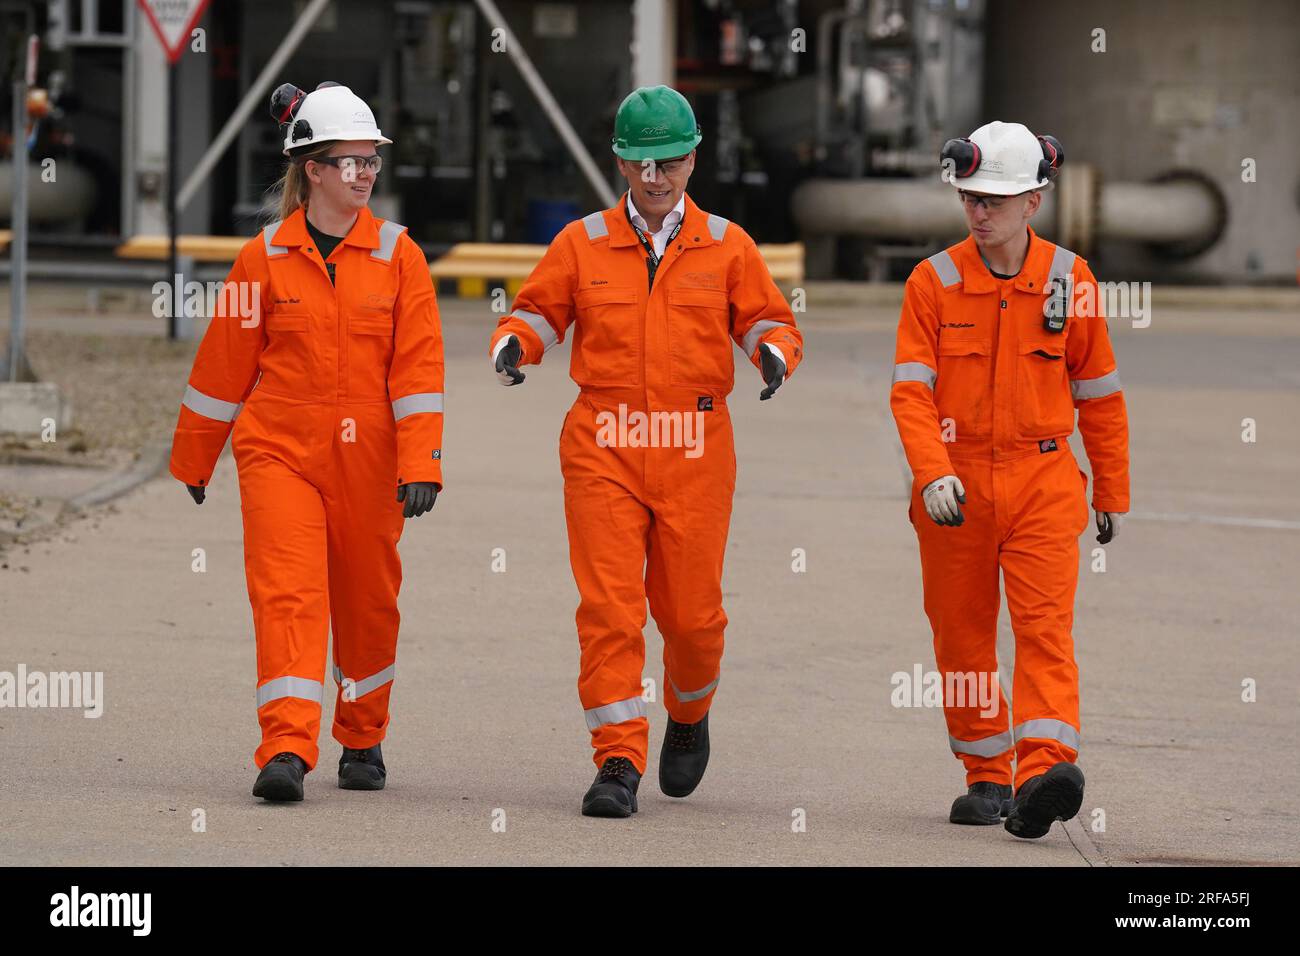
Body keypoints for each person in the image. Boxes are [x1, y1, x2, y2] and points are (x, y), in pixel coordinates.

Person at [489, 85, 803, 817]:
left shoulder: (728, 246)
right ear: (620, 164)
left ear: (692, 159)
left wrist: (774, 355)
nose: (654, 177)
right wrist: (516, 343)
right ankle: (618, 761)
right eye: (640, 163)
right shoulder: (581, 242)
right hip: (605, 441)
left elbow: (766, 320)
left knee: (692, 619)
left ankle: (688, 715)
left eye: (668, 161)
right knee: (609, 609)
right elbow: (539, 309)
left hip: (695, 447)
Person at [169, 82, 445, 802]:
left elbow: (418, 371)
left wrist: (422, 461)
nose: (364, 174)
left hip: (371, 458)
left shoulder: (399, 257)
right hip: (279, 449)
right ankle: (287, 748)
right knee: (287, 595)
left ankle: (362, 733)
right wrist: (197, 454)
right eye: (349, 161)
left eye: (371, 161)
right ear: (312, 171)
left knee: (367, 600)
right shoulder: (262, 259)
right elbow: (223, 365)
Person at [890, 121, 1129, 838]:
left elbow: (1100, 391)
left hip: (1044, 483)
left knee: (1044, 631)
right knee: (961, 639)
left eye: (995, 199)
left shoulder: (1070, 280)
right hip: (954, 490)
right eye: (970, 198)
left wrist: (1111, 491)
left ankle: (1042, 773)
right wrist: (932, 473)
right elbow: (910, 393)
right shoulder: (932, 282)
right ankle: (987, 774)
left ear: (1034, 201)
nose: (980, 212)